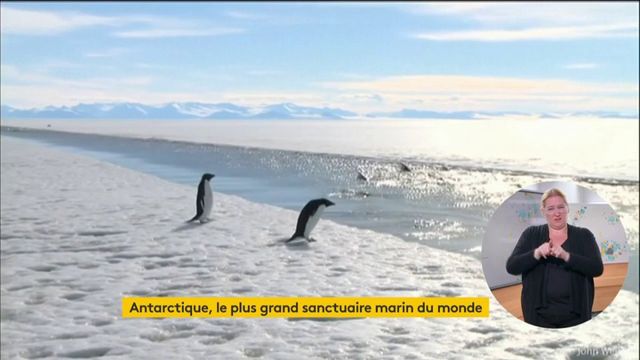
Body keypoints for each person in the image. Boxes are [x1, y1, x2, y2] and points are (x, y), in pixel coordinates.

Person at [506, 188, 603, 328]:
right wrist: (536, 253)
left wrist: (567, 256)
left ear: (567, 208)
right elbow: (512, 266)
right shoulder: (531, 234)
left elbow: (597, 268)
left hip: (576, 316)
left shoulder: (584, 235)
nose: (557, 213)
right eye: (551, 208)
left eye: (561, 207)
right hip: (538, 317)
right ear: (543, 211)